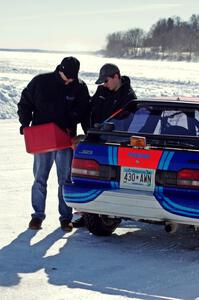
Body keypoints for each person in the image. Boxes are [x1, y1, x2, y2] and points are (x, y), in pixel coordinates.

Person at [17, 57, 90, 232]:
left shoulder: (79, 87)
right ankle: (37, 216)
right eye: (67, 76)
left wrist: (88, 132)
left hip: (65, 139)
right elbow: (25, 103)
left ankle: (66, 218)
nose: (70, 80)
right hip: (43, 138)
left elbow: (85, 111)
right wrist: (25, 124)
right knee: (40, 178)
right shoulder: (41, 82)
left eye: (73, 77)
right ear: (60, 69)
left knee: (65, 179)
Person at [72, 63, 137, 228]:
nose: (104, 84)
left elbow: (125, 123)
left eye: (106, 81)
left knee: (108, 178)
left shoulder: (129, 97)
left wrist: (105, 131)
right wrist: (89, 131)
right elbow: (90, 110)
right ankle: (85, 212)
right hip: (95, 139)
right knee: (87, 176)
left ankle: (110, 211)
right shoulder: (102, 91)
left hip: (115, 144)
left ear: (116, 77)